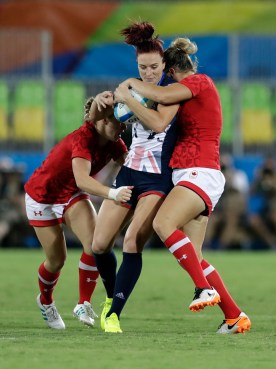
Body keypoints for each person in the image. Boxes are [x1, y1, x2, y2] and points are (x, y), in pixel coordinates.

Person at [116, 36, 251, 334]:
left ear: (174, 70)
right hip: (194, 174)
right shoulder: (188, 89)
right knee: (195, 256)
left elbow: (162, 98)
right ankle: (234, 316)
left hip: (198, 171)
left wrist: (129, 84)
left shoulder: (199, 82)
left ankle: (202, 289)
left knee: (164, 223)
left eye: (165, 74)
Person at [91, 21, 179, 333]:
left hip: (157, 178)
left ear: (164, 64)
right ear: (136, 65)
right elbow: (113, 127)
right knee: (99, 244)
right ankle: (110, 297)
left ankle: (114, 314)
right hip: (129, 171)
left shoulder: (172, 89)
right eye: (142, 67)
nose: (149, 73)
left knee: (131, 241)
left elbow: (157, 124)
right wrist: (104, 108)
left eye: (154, 66)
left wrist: (127, 98)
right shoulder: (129, 88)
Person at [24, 92, 132, 329]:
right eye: (118, 121)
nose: (123, 126)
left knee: (94, 245)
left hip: (70, 195)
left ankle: (83, 303)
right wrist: (114, 194)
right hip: (42, 197)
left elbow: (132, 163)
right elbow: (83, 180)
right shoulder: (83, 138)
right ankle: (45, 300)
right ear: (103, 120)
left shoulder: (116, 144)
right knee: (56, 261)